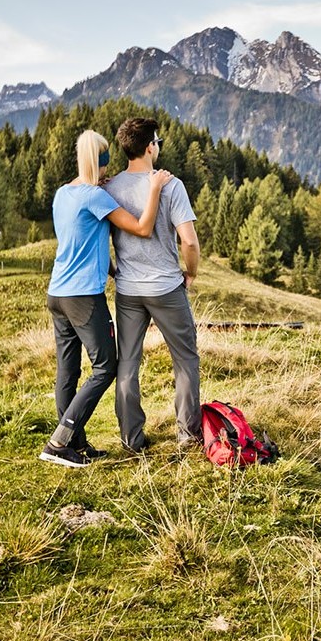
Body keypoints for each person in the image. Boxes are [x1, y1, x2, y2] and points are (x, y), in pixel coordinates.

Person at [39, 129, 172, 468]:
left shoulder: (64, 194)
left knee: (67, 371)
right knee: (106, 366)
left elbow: (81, 238)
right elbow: (142, 227)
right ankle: (59, 442)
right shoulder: (95, 197)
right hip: (83, 297)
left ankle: (74, 444)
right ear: (101, 160)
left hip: (57, 293)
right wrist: (154, 188)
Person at [104, 117, 201, 453]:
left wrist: (115, 271)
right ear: (149, 147)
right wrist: (191, 273)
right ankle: (187, 436)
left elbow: (101, 240)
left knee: (127, 363)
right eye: (157, 141)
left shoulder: (109, 188)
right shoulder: (171, 185)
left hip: (129, 290)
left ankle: (131, 439)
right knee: (185, 359)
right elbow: (188, 242)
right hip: (165, 287)